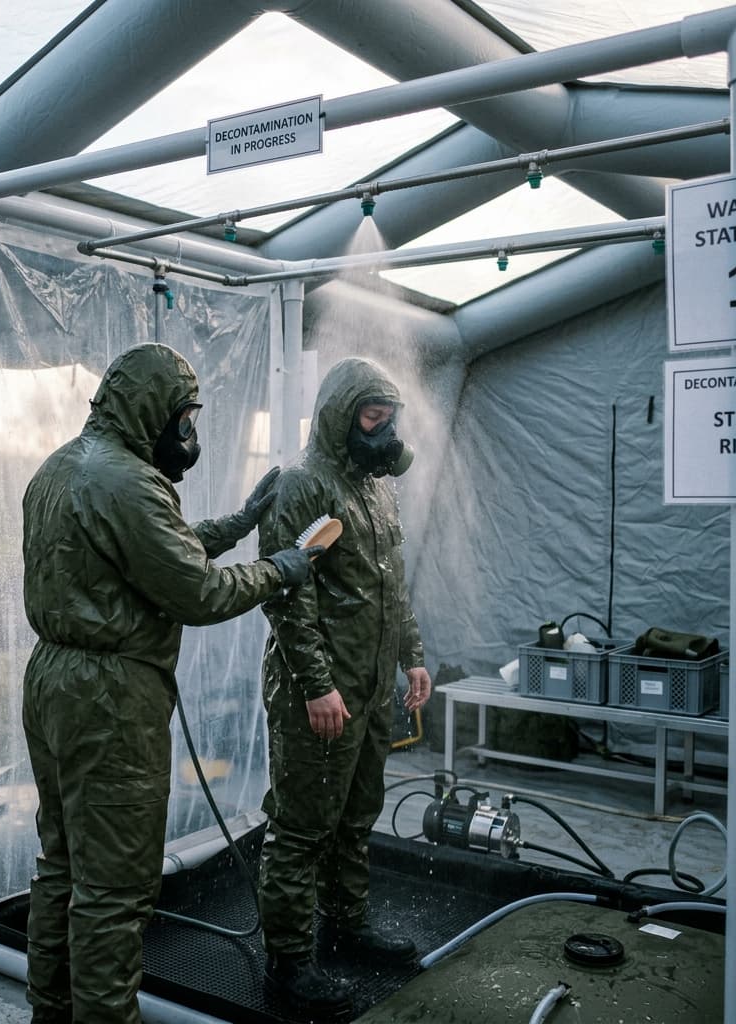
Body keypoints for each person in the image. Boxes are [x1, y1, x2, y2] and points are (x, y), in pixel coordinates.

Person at [20, 342, 321, 1024]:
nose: (189, 438)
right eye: (184, 421)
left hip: (55, 684)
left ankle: (51, 1010)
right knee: (115, 890)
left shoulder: (63, 467)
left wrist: (242, 522)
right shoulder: (127, 480)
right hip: (109, 699)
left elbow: (157, 549)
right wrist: (280, 568)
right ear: (150, 411)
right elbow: (196, 591)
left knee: (63, 866)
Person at [257, 355, 433, 1015]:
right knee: (302, 827)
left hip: (370, 686)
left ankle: (345, 925)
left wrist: (412, 657)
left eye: (389, 418)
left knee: (355, 819)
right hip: (320, 693)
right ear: (340, 417)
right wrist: (315, 686)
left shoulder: (377, 488)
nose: (383, 431)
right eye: (371, 416)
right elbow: (287, 598)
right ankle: (289, 963)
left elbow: (392, 582)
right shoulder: (303, 486)